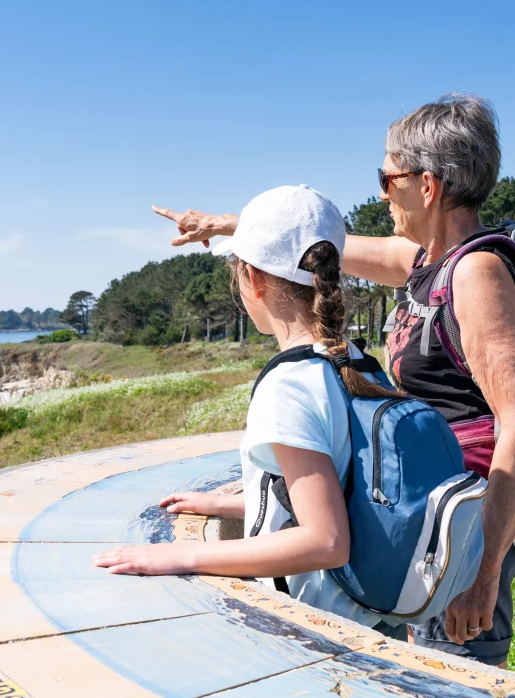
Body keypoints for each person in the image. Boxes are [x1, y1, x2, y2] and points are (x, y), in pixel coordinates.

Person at [152, 94, 515, 668]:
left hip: (464, 522)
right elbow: (325, 251)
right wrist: (232, 226)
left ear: (427, 186)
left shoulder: (476, 272)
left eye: (387, 177)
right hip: (427, 505)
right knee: (419, 665)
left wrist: (482, 572)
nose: (382, 193)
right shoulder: (426, 261)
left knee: (451, 691)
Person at [94, 185, 407, 639]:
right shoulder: (355, 359)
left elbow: (326, 541)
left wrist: (180, 556)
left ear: (253, 280)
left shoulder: (290, 384)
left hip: (319, 633)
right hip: (371, 615)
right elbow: (333, 489)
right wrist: (229, 504)